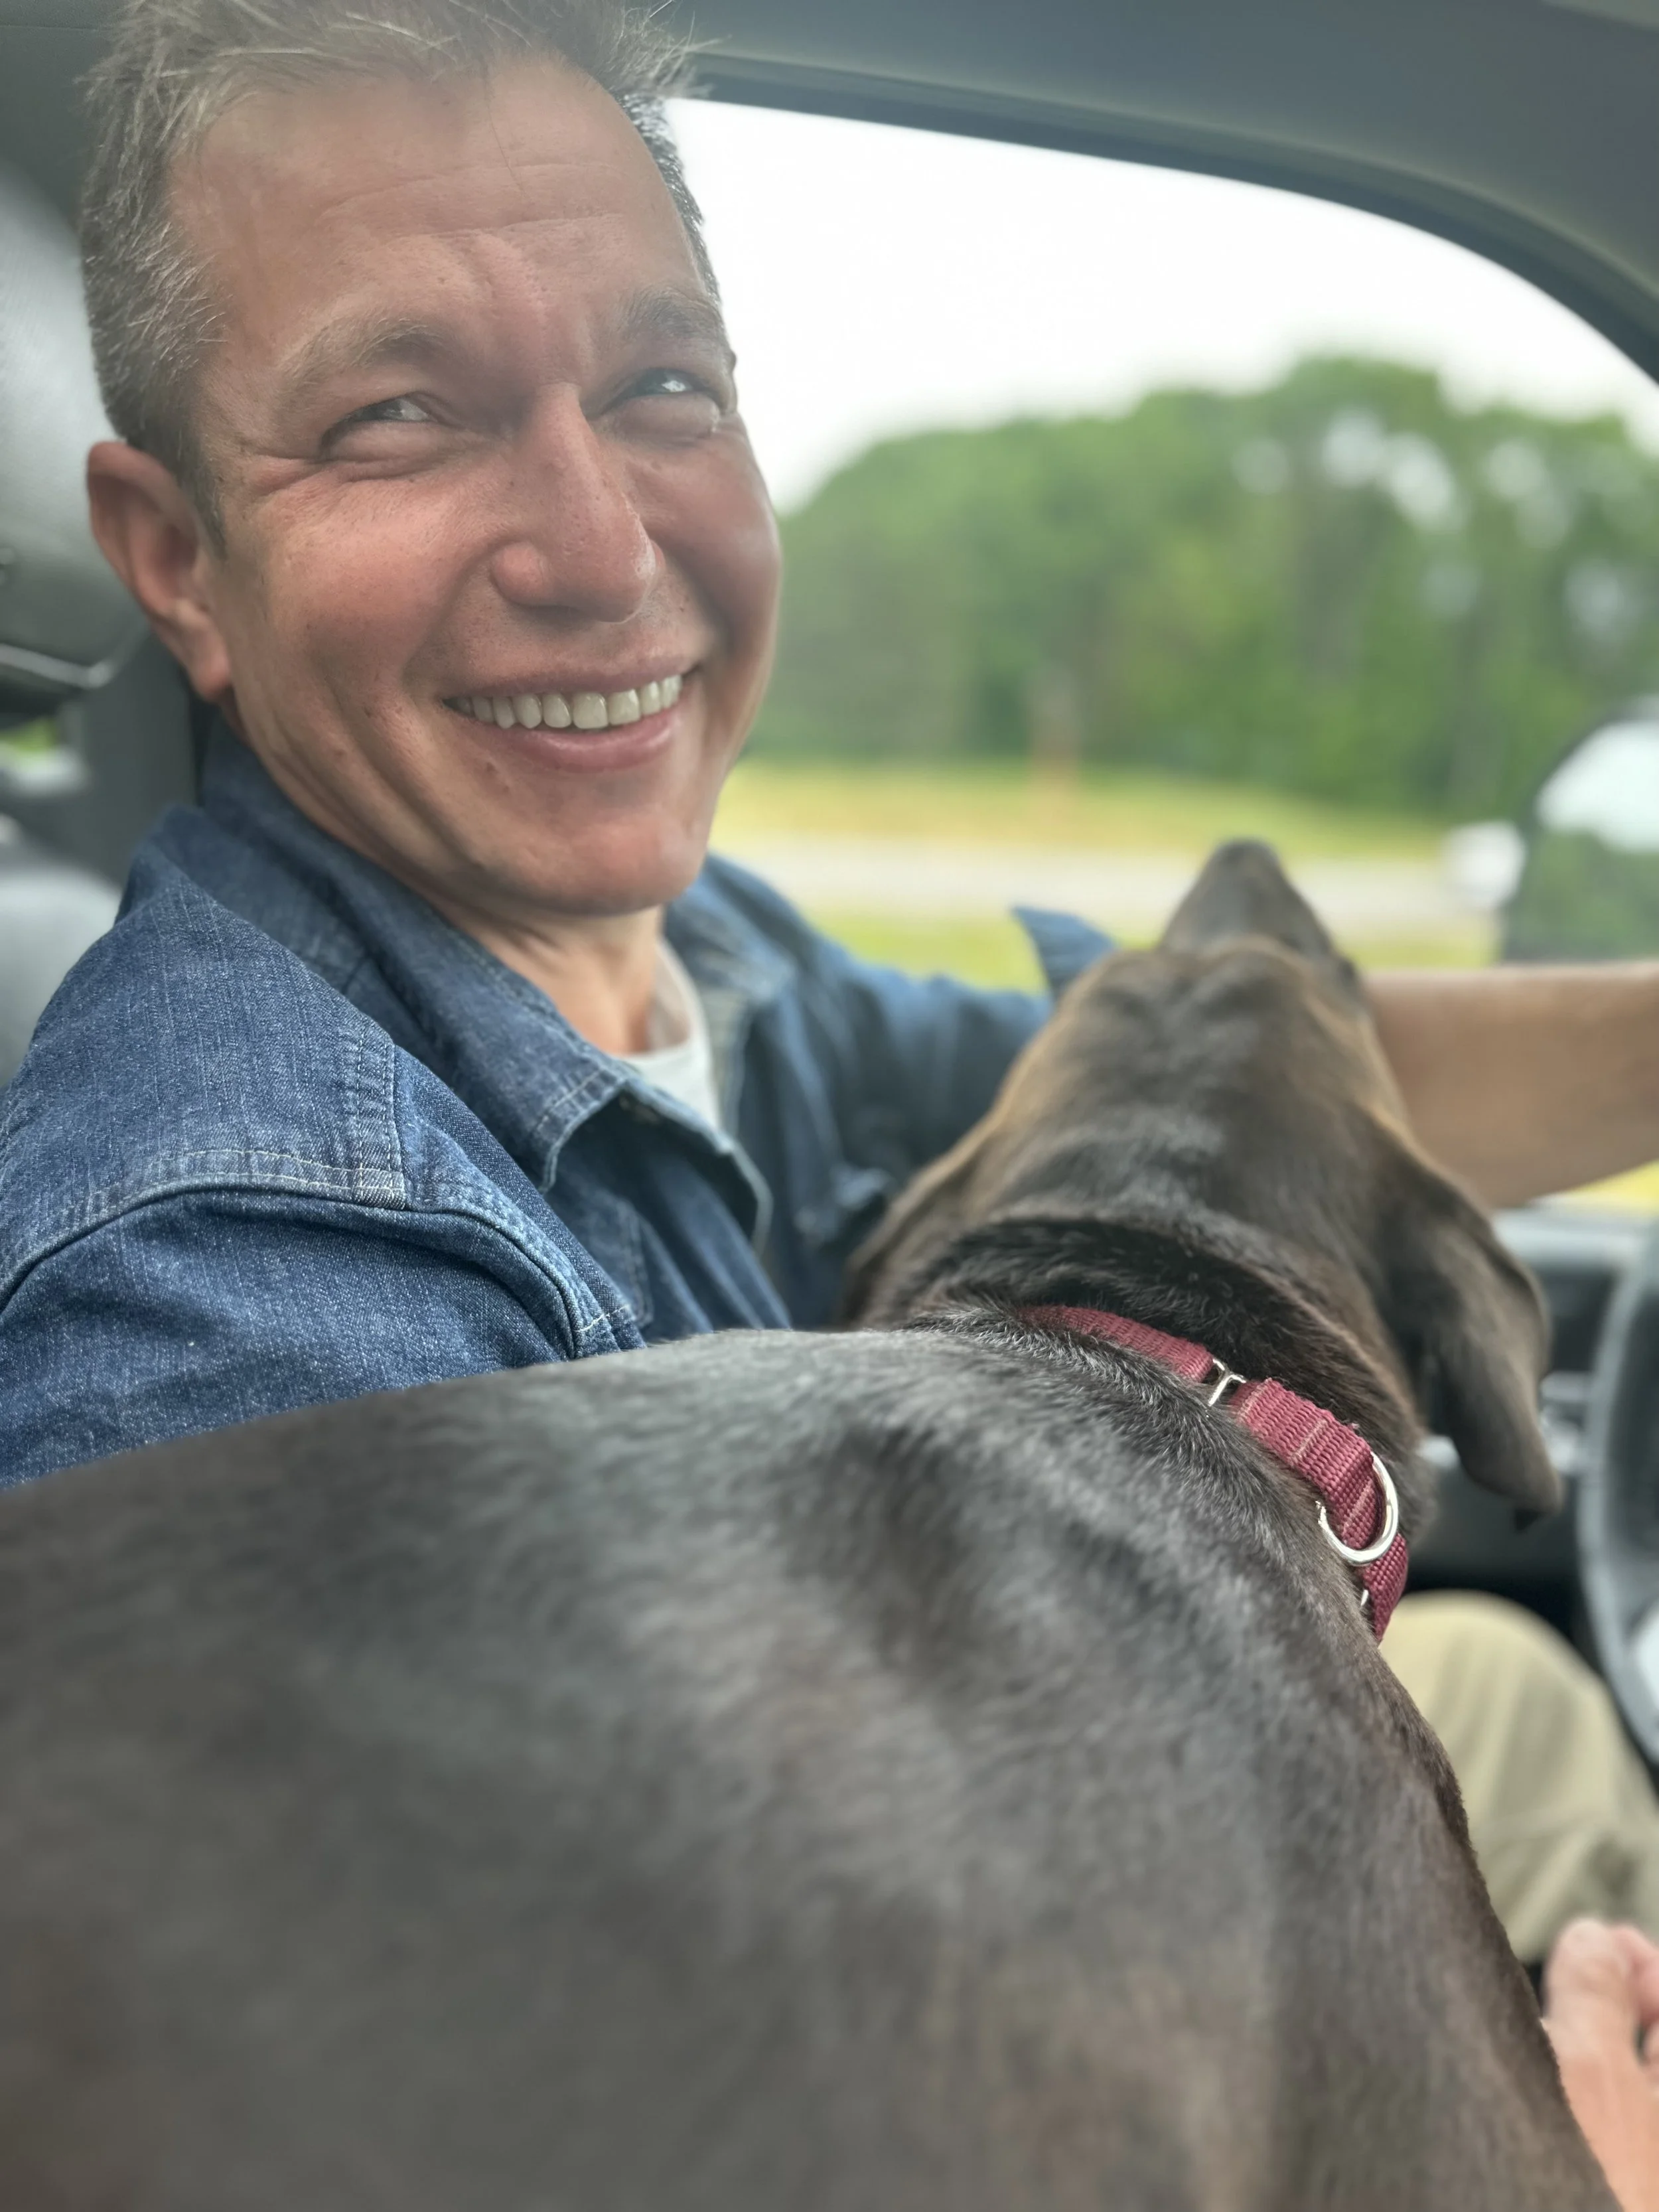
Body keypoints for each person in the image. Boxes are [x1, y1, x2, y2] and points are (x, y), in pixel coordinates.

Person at [1, 3, 1658, 2175]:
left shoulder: (709, 953)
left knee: (1511, 1700)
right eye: (403, 415)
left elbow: (1263, 1071)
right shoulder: (245, 1279)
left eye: (659, 386)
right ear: (179, 559)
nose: (598, 547)